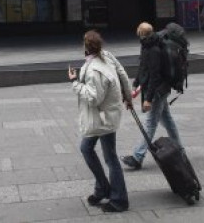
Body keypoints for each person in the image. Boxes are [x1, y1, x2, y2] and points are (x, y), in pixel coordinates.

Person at [69, 30, 132, 213]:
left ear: (86, 47)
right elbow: (123, 75)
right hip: (108, 115)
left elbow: (93, 98)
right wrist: (127, 97)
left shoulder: (94, 70)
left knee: (97, 152)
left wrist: (74, 82)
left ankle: (117, 198)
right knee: (101, 152)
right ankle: (103, 189)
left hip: (101, 118)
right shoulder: (107, 56)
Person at [122, 22, 184, 170]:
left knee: (150, 123)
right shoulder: (147, 44)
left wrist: (148, 99)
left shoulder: (154, 49)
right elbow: (143, 66)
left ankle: (138, 157)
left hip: (158, 90)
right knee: (168, 120)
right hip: (160, 89)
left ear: (140, 33)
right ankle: (180, 150)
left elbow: (154, 76)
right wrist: (136, 83)